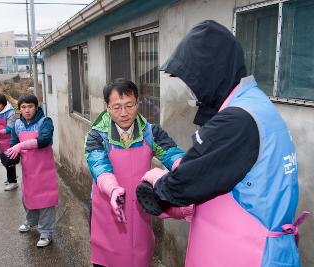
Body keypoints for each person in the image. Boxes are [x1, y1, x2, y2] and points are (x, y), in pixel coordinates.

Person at [139, 20, 309, 267]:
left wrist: (158, 182)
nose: (190, 91)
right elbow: (231, 185)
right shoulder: (257, 106)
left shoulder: (237, 120)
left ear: (210, 72)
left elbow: (182, 184)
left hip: (247, 255)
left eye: (192, 81)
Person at [85, 79, 193, 267]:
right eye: (117, 107)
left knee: (138, 257)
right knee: (106, 260)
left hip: (139, 210)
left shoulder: (151, 133)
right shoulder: (97, 136)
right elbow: (98, 165)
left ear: (137, 102)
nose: (124, 113)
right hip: (107, 206)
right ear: (107, 107)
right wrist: (112, 189)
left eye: (129, 105)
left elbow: (171, 153)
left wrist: (188, 168)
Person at [6, 94, 58, 248]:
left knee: (46, 200)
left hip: (44, 169)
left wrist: (21, 146)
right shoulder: (17, 125)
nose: (27, 110)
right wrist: (10, 157)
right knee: (28, 197)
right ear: (19, 109)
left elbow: (44, 140)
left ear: (36, 107)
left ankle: (46, 232)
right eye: (23, 107)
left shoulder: (45, 121)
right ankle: (31, 221)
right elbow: (14, 143)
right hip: (28, 169)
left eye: (30, 106)